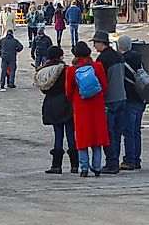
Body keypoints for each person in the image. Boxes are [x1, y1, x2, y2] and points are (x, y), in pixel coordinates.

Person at [64, 41, 109, 176]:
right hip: (97, 106)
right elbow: (104, 86)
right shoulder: (97, 66)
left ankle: (84, 168)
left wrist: (76, 99)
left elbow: (68, 91)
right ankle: (97, 167)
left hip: (81, 106)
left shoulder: (72, 70)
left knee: (83, 138)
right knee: (97, 137)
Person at [35, 46, 77, 174]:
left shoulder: (45, 71)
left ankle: (56, 165)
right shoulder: (66, 70)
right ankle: (75, 165)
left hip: (52, 106)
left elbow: (44, 89)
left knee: (58, 136)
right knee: (71, 135)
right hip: (67, 105)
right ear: (60, 56)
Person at [91, 30, 127, 175]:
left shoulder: (102, 59)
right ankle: (115, 161)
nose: (94, 46)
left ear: (101, 43)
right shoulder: (118, 56)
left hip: (109, 100)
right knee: (117, 133)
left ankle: (111, 163)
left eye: (95, 43)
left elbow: (99, 80)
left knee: (108, 133)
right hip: (122, 98)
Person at [117, 35, 146, 170]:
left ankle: (130, 160)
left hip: (129, 99)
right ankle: (136, 158)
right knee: (136, 131)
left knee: (128, 131)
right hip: (140, 98)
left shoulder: (122, 62)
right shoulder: (139, 59)